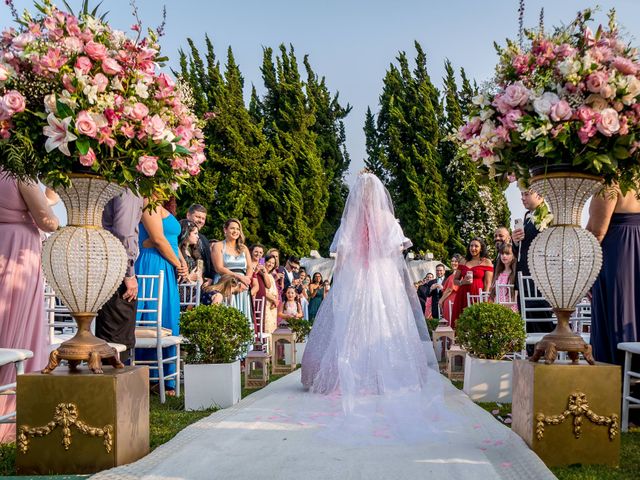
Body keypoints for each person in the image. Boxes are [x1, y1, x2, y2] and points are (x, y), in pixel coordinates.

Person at [301, 172, 444, 429]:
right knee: (385, 320)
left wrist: (339, 284)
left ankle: (355, 373)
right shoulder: (387, 219)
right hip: (382, 278)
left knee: (352, 324)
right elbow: (394, 255)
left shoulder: (350, 221)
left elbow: (342, 258)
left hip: (356, 278)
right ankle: (382, 375)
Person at [0, 173, 59, 442]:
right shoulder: (19, 174)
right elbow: (47, 220)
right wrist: (52, 210)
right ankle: (10, 412)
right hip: (19, 251)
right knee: (16, 324)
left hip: (4, 242)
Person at [135, 198, 188, 396]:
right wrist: (177, 263)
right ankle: (150, 376)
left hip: (167, 263)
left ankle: (166, 379)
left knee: (168, 317)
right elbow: (156, 240)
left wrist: (181, 261)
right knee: (152, 318)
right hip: (154, 262)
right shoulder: (147, 202)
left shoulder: (163, 207)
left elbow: (172, 240)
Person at [587, 186, 640, 367]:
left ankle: (618, 371)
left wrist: (586, 272)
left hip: (618, 254)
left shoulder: (610, 183)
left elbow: (597, 232)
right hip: (634, 250)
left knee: (619, 307)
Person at [95, 189, 143, 365]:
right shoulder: (129, 188)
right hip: (117, 265)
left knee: (110, 332)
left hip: (105, 260)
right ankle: (115, 386)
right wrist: (128, 273)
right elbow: (124, 231)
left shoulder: (109, 183)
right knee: (117, 336)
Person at [512, 188, 554, 335]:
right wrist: (515, 242)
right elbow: (521, 250)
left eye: (526, 194)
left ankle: (546, 352)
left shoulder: (548, 217)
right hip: (524, 276)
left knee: (541, 319)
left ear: (540, 194)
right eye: (521, 195)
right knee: (527, 321)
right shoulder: (526, 217)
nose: (522, 198)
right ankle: (531, 353)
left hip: (538, 277)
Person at [211, 218, 254, 325]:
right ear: (225, 230)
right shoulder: (218, 246)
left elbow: (249, 267)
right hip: (226, 283)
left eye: (238, 229)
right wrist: (239, 277)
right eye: (232, 228)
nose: (235, 231)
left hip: (242, 285)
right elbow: (219, 268)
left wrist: (246, 281)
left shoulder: (243, 248)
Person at [451, 238, 494, 322]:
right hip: (462, 294)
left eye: (476, 246)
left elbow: (487, 283)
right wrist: (462, 282)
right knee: (461, 320)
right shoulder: (463, 261)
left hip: (478, 295)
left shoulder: (487, 262)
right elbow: (455, 280)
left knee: (476, 320)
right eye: (471, 246)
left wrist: (485, 298)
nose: (473, 248)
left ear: (481, 248)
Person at [250, 253, 280, 336]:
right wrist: (273, 299)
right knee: (266, 328)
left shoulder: (270, 275)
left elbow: (274, 289)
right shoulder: (261, 273)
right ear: (264, 262)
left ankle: (271, 348)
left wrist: (276, 300)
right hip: (266, 303)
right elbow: (264, 290)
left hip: (273, 306)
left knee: (273, 328)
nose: (271, 264)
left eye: (273, 263)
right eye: (269, 262)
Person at [186, 204, 214, 282]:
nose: (200, 221)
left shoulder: (204, 239)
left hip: (202, 284)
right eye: (197, 217)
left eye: (203, 218)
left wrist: (210, 278)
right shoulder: (178, 236)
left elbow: (209, 261)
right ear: (188, 215)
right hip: (184, 283)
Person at [490, 243, 518, 312]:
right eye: (502, 254)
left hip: (511, 309)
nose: (504, 256)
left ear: (513, 256)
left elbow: (515, 299)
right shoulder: (498, 273)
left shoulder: (515, 274)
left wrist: (501, 307)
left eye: (507, 254)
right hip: (497, 308)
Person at [439, 254, 463, 327]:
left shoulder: (457, 274)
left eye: (456, 261)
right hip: (449, 301)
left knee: (451, 321)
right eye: (452, 261)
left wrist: (441, 300)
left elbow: (450, 289)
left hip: (451, 301)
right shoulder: (454, 274)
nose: (453, 263)